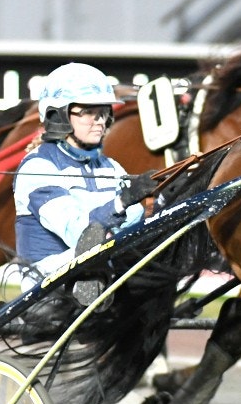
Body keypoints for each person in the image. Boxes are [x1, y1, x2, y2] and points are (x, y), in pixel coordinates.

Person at [12, 61, 158, 291]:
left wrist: (159, 200)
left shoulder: (110, 166)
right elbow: (79, 233)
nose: (99, 121)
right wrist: (123, 202)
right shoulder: (38, 167)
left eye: (103, 113)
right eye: (88, 112)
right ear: (58, 116)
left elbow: (133, 222)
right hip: (48, 286)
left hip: (104, 271)